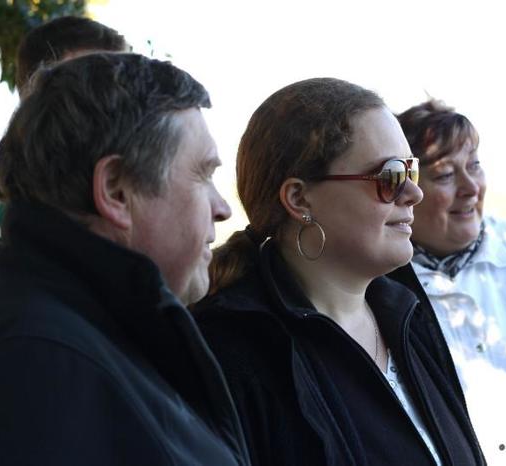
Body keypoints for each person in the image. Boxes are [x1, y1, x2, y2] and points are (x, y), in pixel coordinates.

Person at [0, 53, 251, 466]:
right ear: (116, 190)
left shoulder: (79, 334)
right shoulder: (36, 367)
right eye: (203, 174)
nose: (222, 207)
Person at [194, 78, 486, 466]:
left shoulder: (405, 311)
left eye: (411, 171)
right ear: (299, 199)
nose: (414, 194)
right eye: (390, 177)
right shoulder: (235, 354)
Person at [392, 99, 506, 465]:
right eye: (445, 175)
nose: (470, 188)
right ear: (405, 190)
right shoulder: (382, 287)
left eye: (474, 166)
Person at [0, 16, 128, 342]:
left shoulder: (141, 231)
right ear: (33, 100)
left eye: (121, 89)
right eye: (91, 88)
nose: (114, 107)